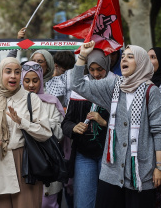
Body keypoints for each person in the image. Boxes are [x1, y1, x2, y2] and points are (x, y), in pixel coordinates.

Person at [71, 41, 161, 208]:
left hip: (141, 172)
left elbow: (159, 130)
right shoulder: (114, 85)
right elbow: (77, 85)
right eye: (123, 56)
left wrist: (159, 167)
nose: (124, 59)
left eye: (130, 57)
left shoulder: (150, 91)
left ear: (141, 62)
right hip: (111, 172)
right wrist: (82, 56)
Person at [0, 57, 52, 208]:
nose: (13, 76)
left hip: (25, 163)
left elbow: (45, 132)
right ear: (0, 75)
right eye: (8, 71)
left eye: (17, 72)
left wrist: (22, 122)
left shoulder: (31, 99)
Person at [62, 49, 113, 208]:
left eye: (100, 69)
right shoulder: (80, 88)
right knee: (83, 201)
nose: (96, 74)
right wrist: (73, 128)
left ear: (108, 66)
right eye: (92, 69)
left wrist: (104, 121)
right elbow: (66, 122)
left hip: (109, 154)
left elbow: (125, 122)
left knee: (107, 200)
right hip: (84, 153)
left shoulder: (116, 85)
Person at [21, 61, 65, 208]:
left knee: (48, 203)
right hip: (23, 164)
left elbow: (59, 134)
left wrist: (42, 124)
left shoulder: (52, 103)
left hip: (47, 162)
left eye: (35, 80)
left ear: (41, 80)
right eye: (27, 81)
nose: (31, 85)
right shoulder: (16, 102)